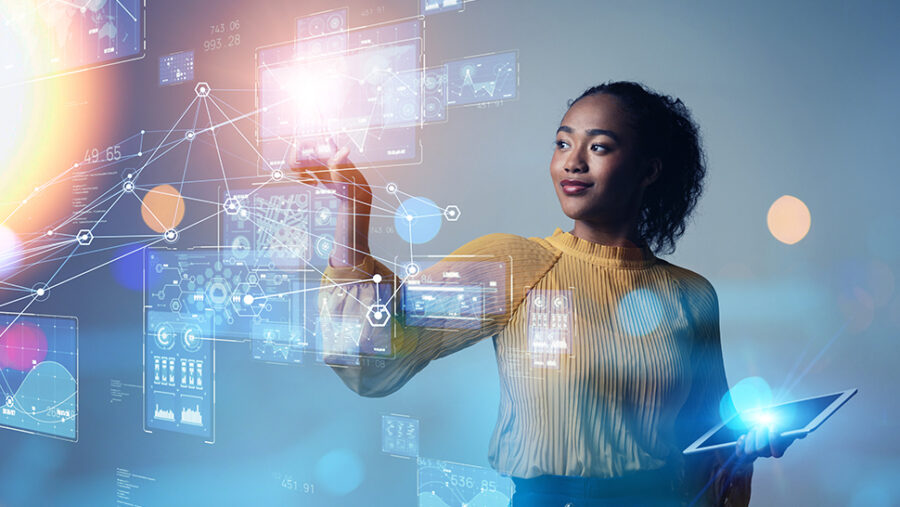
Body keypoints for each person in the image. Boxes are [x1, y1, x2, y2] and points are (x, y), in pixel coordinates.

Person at [293, 81, 800, 506]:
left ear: (649, 170)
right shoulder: (516, 264)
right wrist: (351, 207)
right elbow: (372, 355)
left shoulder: (693, 296)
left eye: (598, 146)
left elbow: (711, 439)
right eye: (562, 143)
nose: (572, 162)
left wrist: (749, 446)